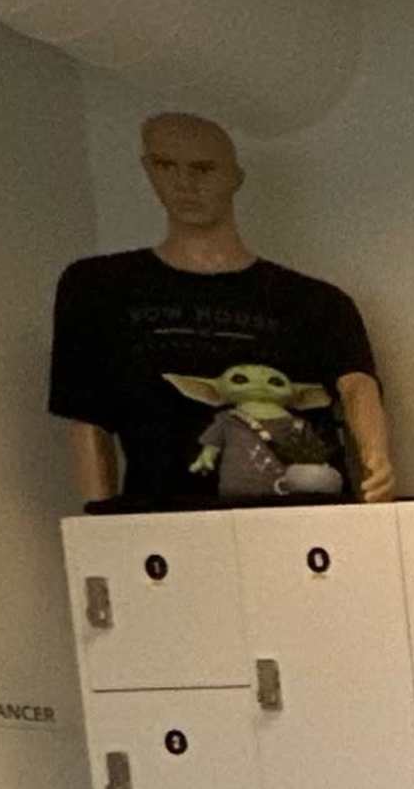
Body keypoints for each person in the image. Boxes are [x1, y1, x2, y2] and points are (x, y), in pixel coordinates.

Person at [50, 112, 391, 511]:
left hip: (307, 516)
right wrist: (102, 520)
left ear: (234, 177)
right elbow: (88, 414)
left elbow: (357, 386)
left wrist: (377, 462)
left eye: (203, 168)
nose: (184, 183)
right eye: (165, 166)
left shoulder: (316, 302)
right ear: (148, 169)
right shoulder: (100, 287)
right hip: (164, 521)